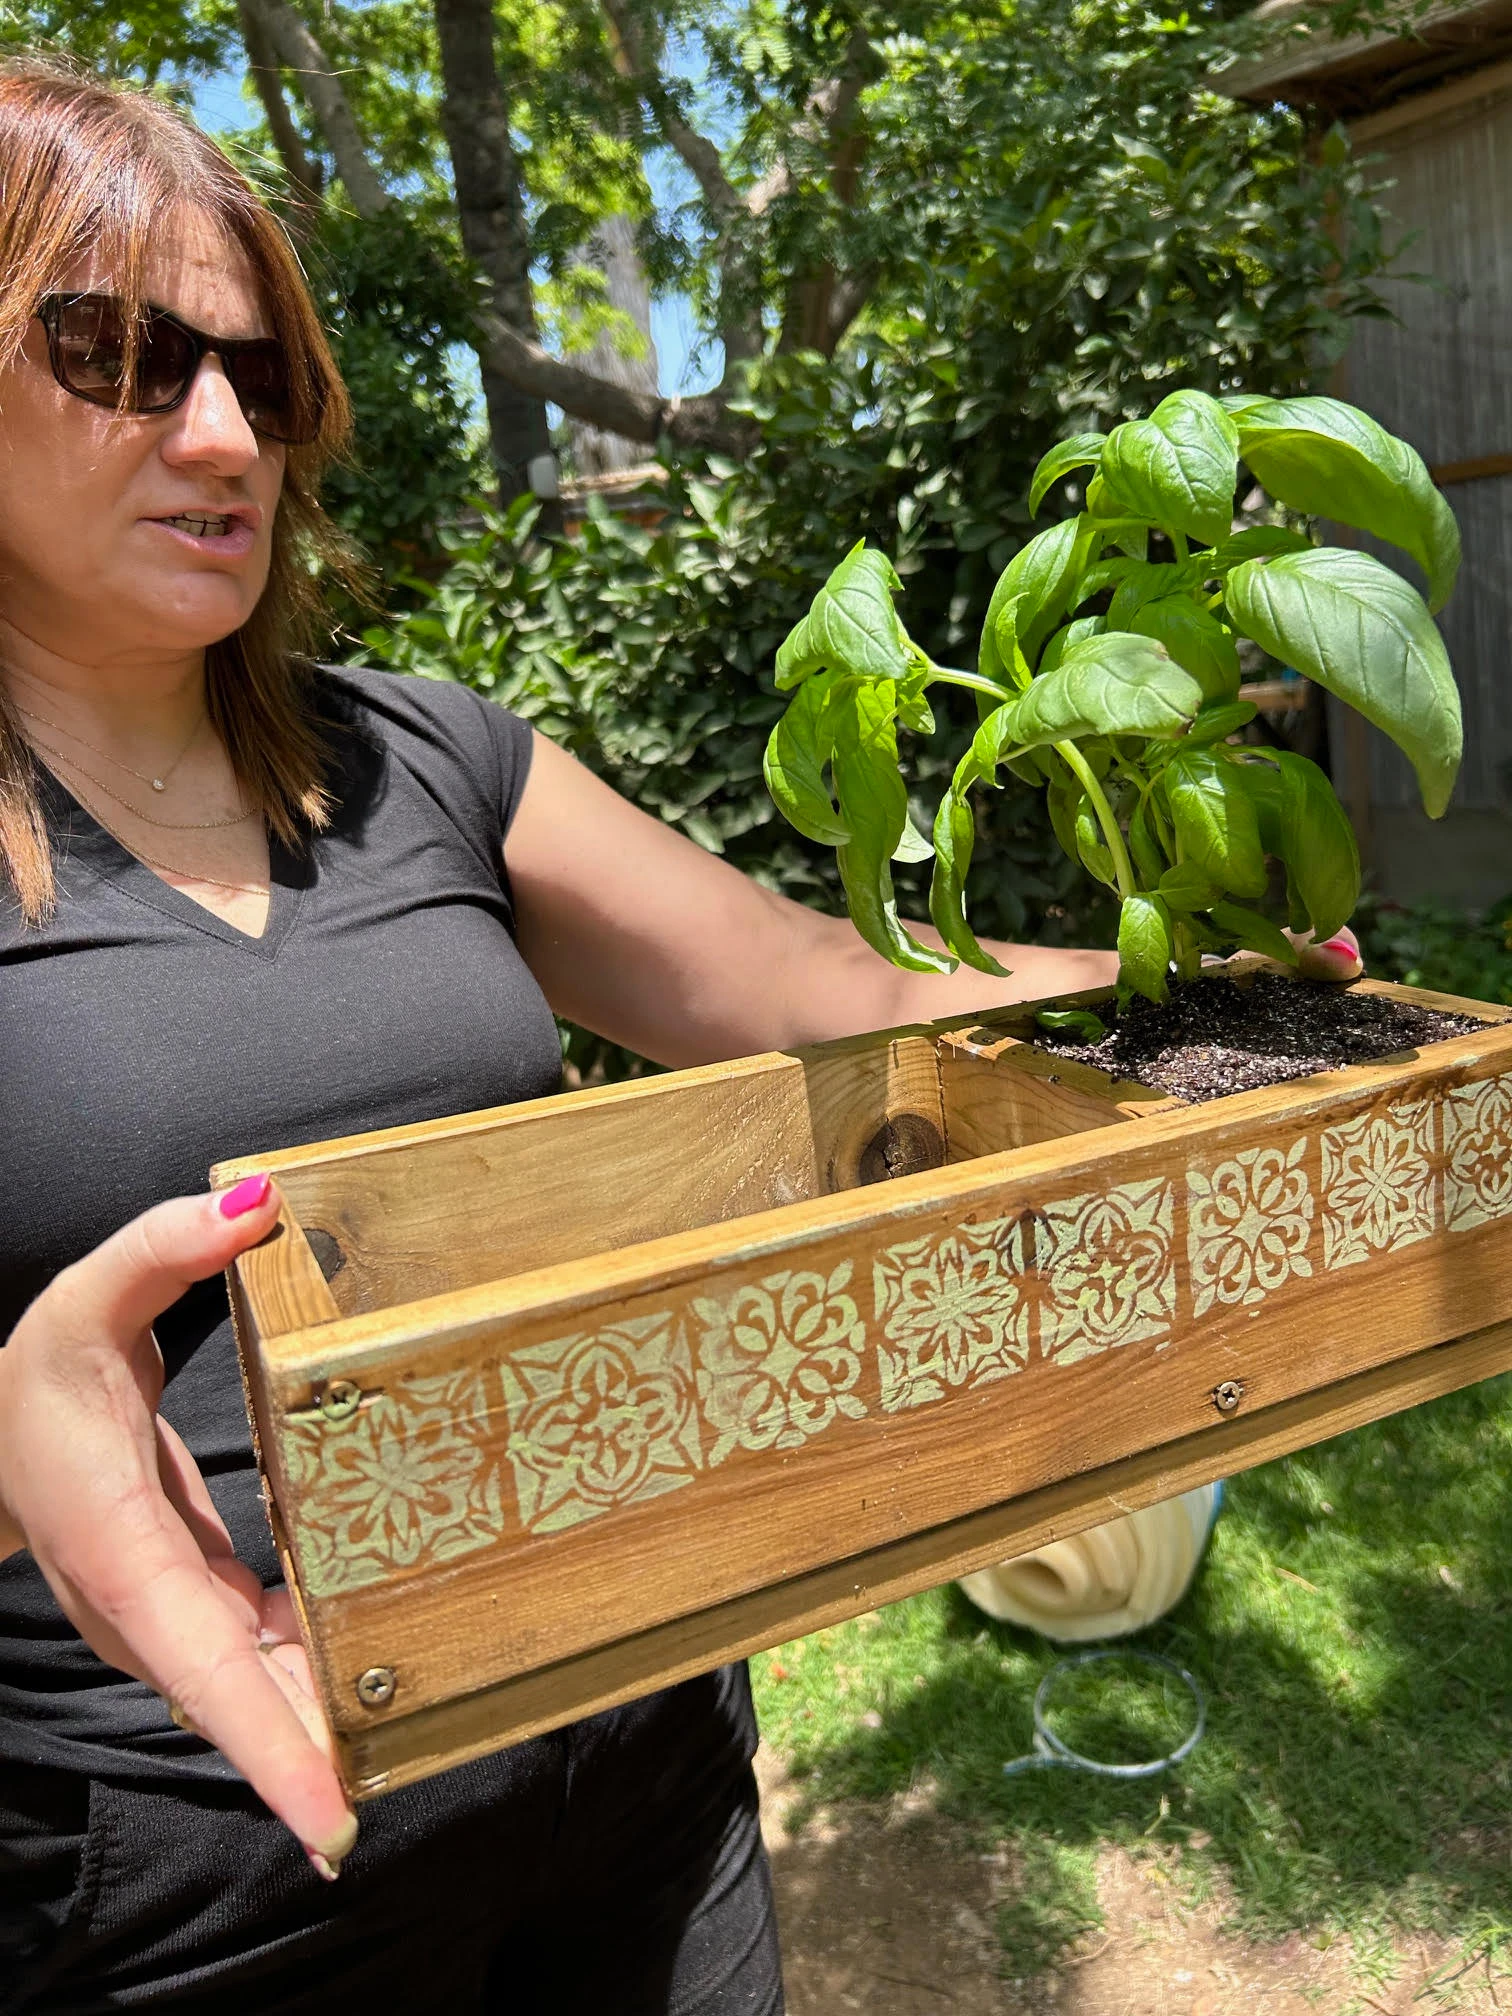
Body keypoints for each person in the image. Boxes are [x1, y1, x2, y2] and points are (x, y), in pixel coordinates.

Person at [0, 59, 1362, 2016]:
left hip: (638, 1751)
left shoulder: (427, 758)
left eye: (262, 375)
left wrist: (1176, 991)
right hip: (197, 1861)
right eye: (119, 356)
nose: (224, 435)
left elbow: (823, 989)